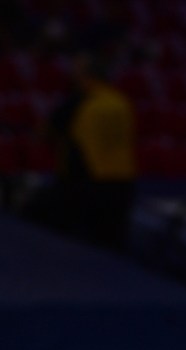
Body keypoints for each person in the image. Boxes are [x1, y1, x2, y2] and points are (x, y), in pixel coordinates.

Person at [35, 49, 137, 251]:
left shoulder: (79, 102)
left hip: (86, 185)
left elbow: (44, 133)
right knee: (112, 253)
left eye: (76, 70)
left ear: (84, 75)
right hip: (123, 184)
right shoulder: (121, 102)